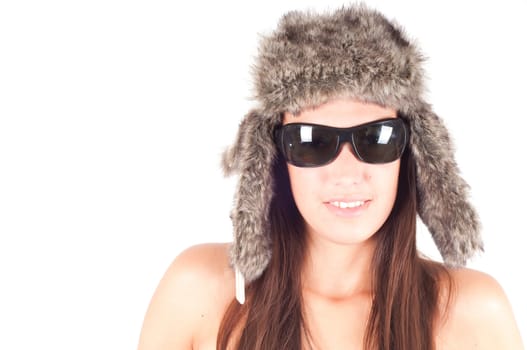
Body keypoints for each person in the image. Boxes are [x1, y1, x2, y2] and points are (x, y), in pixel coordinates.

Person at [137, 4, 524, 350]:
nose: (346, 173)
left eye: (376, 139)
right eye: (312, 143)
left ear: (413, 151)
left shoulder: (474, 313)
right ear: (273, 156)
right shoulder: (197, 292)